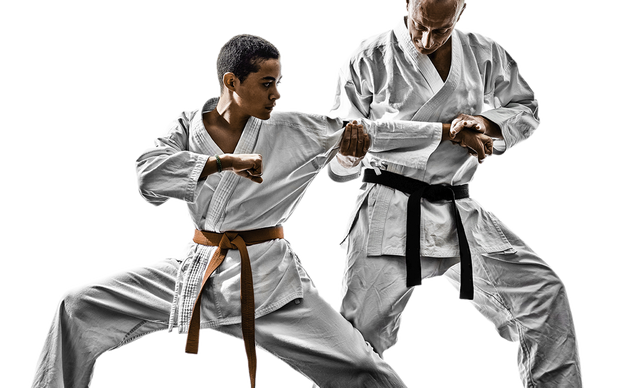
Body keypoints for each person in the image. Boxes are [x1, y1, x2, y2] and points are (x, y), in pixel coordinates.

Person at [28, 32, 440, 388]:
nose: (277, 94)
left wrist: (448, 132)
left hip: (268, 283)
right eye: (267, 83)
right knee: (76, 305)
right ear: (232, 81)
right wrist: (221, 163)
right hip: (196, 272)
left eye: (279, 83)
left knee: (362, 365)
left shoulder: (292, 127)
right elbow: (147, 174)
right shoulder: (188, 126)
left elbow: (379, 132)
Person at [327, 0, 585, 387]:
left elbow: (525, 108)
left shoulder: (483, 52)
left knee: (541, 295)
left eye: (441, 30)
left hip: (457, 208)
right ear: (406, 2)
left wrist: (488, 123)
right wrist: (350, 155)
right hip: (389, 208)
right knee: (358, 340)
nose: (427, 40)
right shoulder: (368, 58)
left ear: (460, 15)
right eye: (420, 26)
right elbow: (340, 146)